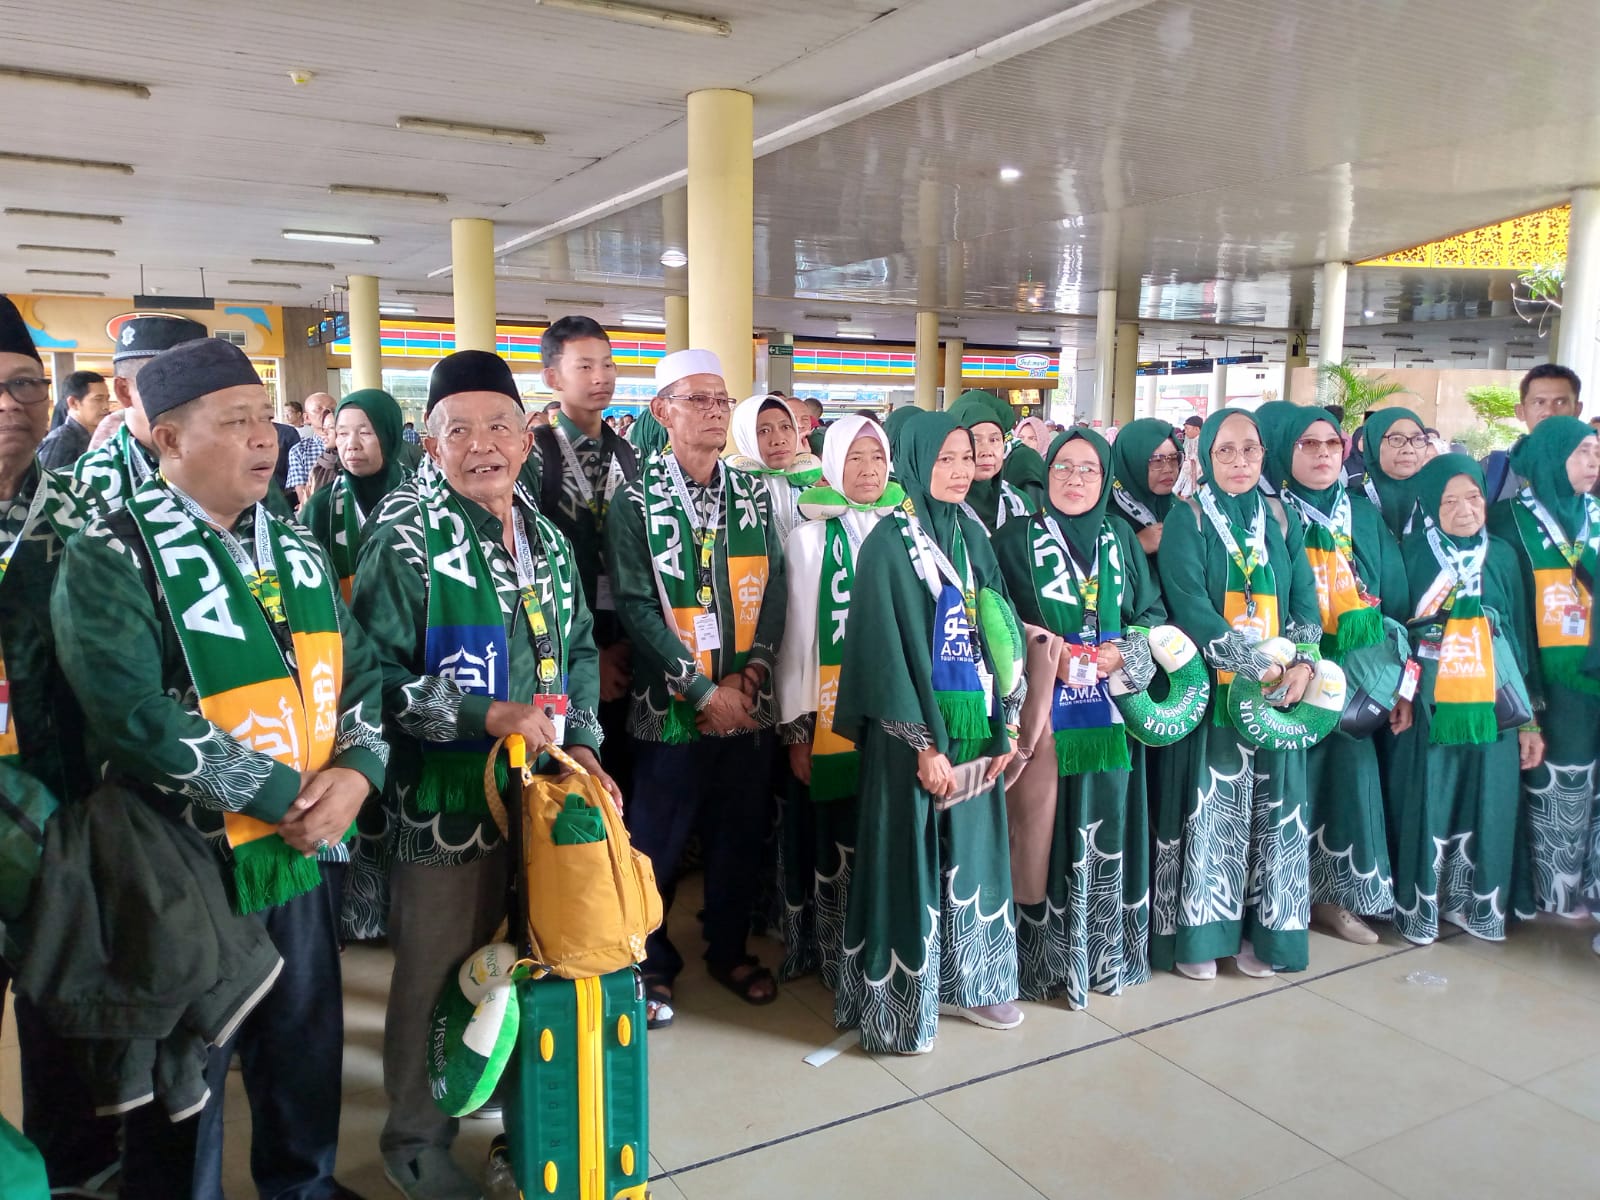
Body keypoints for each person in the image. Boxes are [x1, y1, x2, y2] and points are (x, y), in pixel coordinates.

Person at [53, 337, 387, 1200]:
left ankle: (301, 1185)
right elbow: (133, 717)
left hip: (302, 853)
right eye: (235, 421)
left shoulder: (297, 547)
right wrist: (285, 794)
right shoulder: (113, 553)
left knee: (303, 1041)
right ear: (166, 438)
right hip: (185, 862)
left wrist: (354, 775)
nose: (265, 437)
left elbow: (364, 673)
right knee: (188, 1070)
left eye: (264, 416)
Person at [351, 348, 608, 1200]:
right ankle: (416, 1139)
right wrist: (483, 717)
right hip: (446, 804)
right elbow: (373, 684)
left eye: (499, 424)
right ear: (430, 448)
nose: (483, 444)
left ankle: (506, 1113)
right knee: (437, 968)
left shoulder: (544, 533)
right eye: (458, 431)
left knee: (528, 961)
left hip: (542, 794)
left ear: (528, 437)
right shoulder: (403, 537)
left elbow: (572, 652)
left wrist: (591, 748)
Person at [832, 410, 1026, 1054]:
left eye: (967, 457)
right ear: (914, 464)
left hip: (973, 723)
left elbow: (998, 630)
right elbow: (882, 652)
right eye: (945, 459)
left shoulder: (973, 538)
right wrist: (922, 745)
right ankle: (902, 999)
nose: (960, 470)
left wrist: (1006, 722)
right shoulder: (889, 542)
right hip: (913, 737)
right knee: (910, 857)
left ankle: (973, 981)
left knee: (973, 850)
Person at [605, 348, 787, 1027]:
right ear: (662, 411)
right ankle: (651, 961)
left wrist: (751, 675)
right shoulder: (636, 499)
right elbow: (634, 605)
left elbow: (776, 591)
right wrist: (702, 692)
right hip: (668, 708)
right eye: (698, 399)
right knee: (655, 839)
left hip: (747, 700)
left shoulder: (752, 492)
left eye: (722, 400)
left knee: (739, 831)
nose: (714, 411)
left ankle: (728, 948)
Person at [0, 298, 116, 1197]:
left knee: (58, 990)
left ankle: (74, 1159)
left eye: (26, 386)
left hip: (57, 796)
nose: (12, 404)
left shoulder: (75, 506)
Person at [993, 427, 1164, 1009]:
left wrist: (1127, 648)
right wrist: (1046, 650)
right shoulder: (1013, 538)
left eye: (1089, 469)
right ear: (1046, 474)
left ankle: (1101, 956)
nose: (1075, 479)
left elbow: (1151, 611)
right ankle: (1041, 966)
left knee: (1103, 825)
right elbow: (993, 614)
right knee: (1044, 834)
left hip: (1112, 713)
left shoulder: (1119, 536)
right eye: (1063, 467)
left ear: (1107, 476)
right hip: (1044, 717)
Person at [1153, 408, 1323, 979]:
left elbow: (1305, 602)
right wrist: (1255, 668)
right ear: (1204, 457)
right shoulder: (1189, 517)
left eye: (1249, 450)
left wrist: (1300, 661)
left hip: (1278, 699)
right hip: (1219, 696)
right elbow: (1190, 605)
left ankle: (1262, 936)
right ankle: (1204, 938)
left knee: (1273, 816)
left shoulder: (1281, 519)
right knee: (1216, 813)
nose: (1239, 462)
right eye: (1225, 450)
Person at [1256, 401, 1412, 945]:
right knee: (1289, 782)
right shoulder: (1265, 514)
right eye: (1308, 445)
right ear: (1282, 450)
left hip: (1353, 677)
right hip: (1285, 669)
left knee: (1349, 777)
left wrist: (1396, 681)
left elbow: (1396, 596)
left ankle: (1336, 897)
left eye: (1332, 445)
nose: (1324, 455)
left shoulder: (1361, 515)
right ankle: (1282, 899)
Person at [773, 415, 903, 984]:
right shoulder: (808, 540)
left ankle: (881, 945)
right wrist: (798, 733)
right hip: (827, 717)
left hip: (892, 717)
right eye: (855, 458)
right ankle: (831, 952)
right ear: (831, 465)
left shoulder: (907, 532)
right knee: (833, 829)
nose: (869, 470)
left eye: (877, 457)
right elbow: (796, 641)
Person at [1389, 455, 1540, 944]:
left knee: (1489, 794)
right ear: (1431, 507)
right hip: (1433, 695)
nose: (1464, 509)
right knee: (1432, 791)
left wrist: (1530, 722)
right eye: (1449, 501)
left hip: (1493, 693)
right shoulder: (1411, 552)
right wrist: (1405, 695)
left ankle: (1477, 902)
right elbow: (1398, 634)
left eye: (1473, 497)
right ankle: (1424, 905)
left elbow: (1521, 637)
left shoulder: (1502, 557)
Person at [519, 316, 641, 800]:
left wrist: (630, 645)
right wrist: (594, 658)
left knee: (623, 777)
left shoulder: (628, 454)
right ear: (552, 377)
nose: (601, 377)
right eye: (585, 365)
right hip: (566, 643)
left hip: (627, 638)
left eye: (608, 364)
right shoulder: (536, 456)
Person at [1487, 417, 1600, 924]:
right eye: (1582, 452)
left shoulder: (1596, 516)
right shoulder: (1506, 520)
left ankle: (1586, 885)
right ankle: (1542, 888)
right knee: (1544, 776)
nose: (1594, 462)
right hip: (1540, 681)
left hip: (1591, 677)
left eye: (1596, 451)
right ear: (1554, 458)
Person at [73, 314, 208, 507]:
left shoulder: (238, 465)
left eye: (201, 385)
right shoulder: (82, 486)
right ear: (124, 391)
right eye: (169, 384)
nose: (194, 399)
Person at [299, 388, 411, 600]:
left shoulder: (423, 500)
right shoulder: (321, 508)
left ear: (389, 435)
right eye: (342, 434)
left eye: (365, 433)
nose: (351, 445)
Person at [728, 392, 823, 542]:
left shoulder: (807, 484)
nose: (779, 440)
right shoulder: (732, 491)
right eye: (764, 431)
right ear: (746, 436)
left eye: (786, 427)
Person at [1483, 364, 1583, 502]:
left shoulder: (1593, 473)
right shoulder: (1488, 472)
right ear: (1521, 411)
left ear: (1577, 410)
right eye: (1539, 402)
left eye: (1560, 402)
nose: (1549, 412)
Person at [948, 390, 1036, 532]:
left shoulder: (1017, 501)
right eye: (975, 440)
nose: (987, 451)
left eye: (994, 440)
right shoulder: (942, 504)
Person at [1106, 416, 1182, 557]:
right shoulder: (1104, 516)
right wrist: (1136, 545)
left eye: (1173, 458)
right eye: (1156, 460)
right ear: (1131, 462)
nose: (1168, 469)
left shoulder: (1181, 509)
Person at [1359, 405, 1430, 537]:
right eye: (1396, 439)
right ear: (1372, 443)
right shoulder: (1349, 507)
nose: (1409, 449)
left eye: (1418, 439)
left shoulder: (1438, 502)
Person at [36, 370, 109, 470]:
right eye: (98, 399)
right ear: (73, 403)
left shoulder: (96, 438)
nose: (106, 406)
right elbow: (44, 483)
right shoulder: (60, 440)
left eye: (107, 399)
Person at [286, 391, 336, 505]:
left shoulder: (347, 446)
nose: (327, 413)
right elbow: (302, 494)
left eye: (332, 409)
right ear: (307, 417)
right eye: (319, 409)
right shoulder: (299, 451)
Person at [1175, 414, 1204, 499]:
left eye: (1187, 428)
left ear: (1197, 429)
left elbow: (1196, 464)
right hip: (1188, 473)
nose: (1185, 431)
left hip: (1196, 476)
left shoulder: (1201, 443)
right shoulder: (1190, 440)